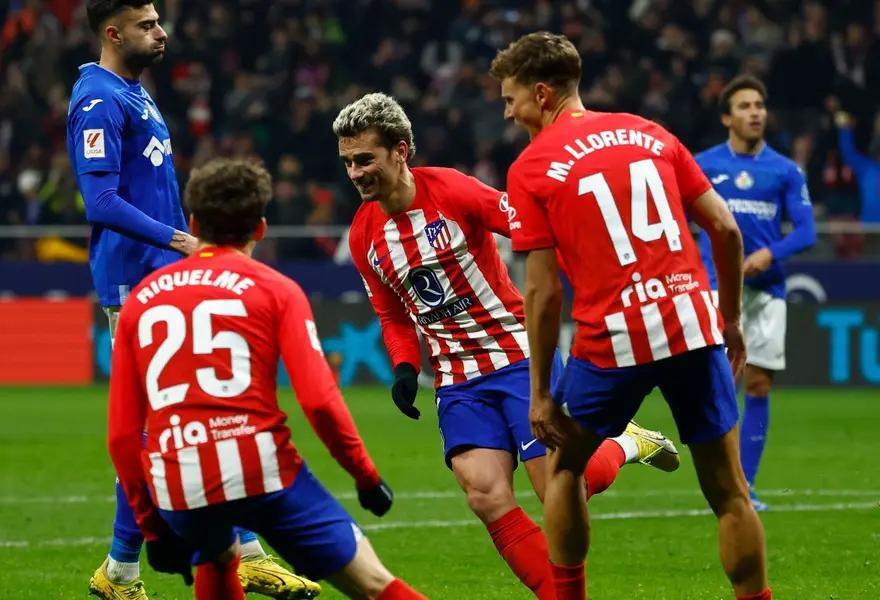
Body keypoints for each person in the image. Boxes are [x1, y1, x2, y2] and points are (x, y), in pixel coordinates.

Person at [334, 92, 680, 600]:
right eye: (347, 162)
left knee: (561, 490)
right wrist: (406, 366)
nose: (355, 172)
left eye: (365, 159)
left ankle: (628, 442)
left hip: (518, 357)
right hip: (457, 378)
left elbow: (527, 225)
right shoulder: (364, 235)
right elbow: (391, 313)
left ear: (400, 151)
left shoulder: (452, 191)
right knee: (484, 493)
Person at [495, 32, 769, 599]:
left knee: (564, 469)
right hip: (693, 327)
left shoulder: (530, 168)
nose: (507, 111)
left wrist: (541, 391)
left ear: (542, 94)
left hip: (612, 340)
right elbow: (726, 230)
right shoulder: (651, 134)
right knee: (730, 493)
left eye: (511, 98)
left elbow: (543, 294)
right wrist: (731, 319)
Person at [66, 3, 313, 598]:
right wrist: (181, 239)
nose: (162, 32)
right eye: (147, 24)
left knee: (191, 421)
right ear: (113, 31)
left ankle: (136, 569)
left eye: (158, 21)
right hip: (135, 284)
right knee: (174, 427)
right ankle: (172, 563)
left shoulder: (134, 92)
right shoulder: (99, 98)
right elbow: (99, 202)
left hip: (165, 279)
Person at [108, 158, 426, 600]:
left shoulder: (141, 301)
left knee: (215, 551)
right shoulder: (276, 289)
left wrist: (152, 529)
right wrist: (365, 476)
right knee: (372, 582)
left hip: (181, 483)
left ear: (194, 223)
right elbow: (318, 400)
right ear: (260, 228)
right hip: (262, 472)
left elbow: (124, 436)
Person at [693, 75, 815, 511]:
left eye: (759, 105)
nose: (755, 112)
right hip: (716, 289)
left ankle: (746, 485)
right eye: (744, 106)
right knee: (720, 385)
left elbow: (806, 230)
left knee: (759, 383)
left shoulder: (785, 170)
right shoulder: (702, 164)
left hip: (766, 291)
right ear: (727, 117)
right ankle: (721, 479)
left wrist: (769, 253)